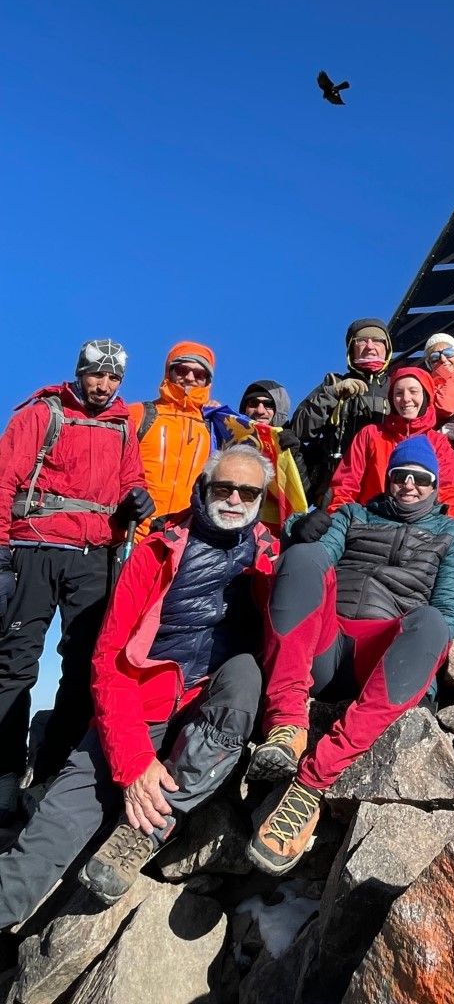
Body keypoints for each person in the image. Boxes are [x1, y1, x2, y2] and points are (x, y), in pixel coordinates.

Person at [0, 444, 279, 925]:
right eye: (224, 487)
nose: (234, 498)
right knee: (49, 837)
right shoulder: (156, 549)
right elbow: (109, 660)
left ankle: (150, 827)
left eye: (248, 491)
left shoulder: (270, 556)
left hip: (209, 700)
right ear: (203, 488)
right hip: (139, 703)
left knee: (244, 675)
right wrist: (132, 765)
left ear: (261, 499)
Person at [245, 435, 454, 875]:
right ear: (387, 479)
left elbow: (449, 604)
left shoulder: (452, 532)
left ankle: (311, 782)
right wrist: (298, 530)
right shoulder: (354, 513)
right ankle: (288, 725)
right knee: (306, 557)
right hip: (326, 643)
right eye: (400, 476)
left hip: (379, 653)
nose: (409, 485)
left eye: (420, 479)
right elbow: (318, 558)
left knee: (434, 623)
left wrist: (427, 674)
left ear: (435, 485)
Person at [0, 340, 152, 824]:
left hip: (95, 557)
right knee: (15, 664)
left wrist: (138, 501)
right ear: (80, 373)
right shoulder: (41, 413)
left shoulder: (123, 425)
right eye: (96, 375)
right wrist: (2, 554)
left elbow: (134, 479)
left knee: (87, 665)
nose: (103, 385)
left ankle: (45, 776)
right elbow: (3, 480)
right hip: (34, 548)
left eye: (113, 379)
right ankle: (4, 783)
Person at [327, 366, 454, 521]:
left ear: (426, 395)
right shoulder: (370, 434)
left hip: (421, 531)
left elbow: (449, 491)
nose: (406, 398)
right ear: (391, 399)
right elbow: (345, 485)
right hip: (371, 525)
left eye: (413, 391)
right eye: (398, 393)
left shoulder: (438, 442)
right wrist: (337, 524)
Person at [290, 318, 393, 505]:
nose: (370, 346)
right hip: (336, 491)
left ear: (387, 348)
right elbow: (300, 429)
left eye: (377, 341)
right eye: (361, 341)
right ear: (350, 350)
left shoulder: (398, 389)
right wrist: (332, 394)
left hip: (385, 490)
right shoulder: (332, 384)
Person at [128, 341, 218, 541]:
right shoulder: (138, 413)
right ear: (168, 372)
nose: (189, 377)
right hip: (133, 533)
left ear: (208, 381)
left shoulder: (214, 426)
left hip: (184, 538)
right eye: (181, 369)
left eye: (199, 374)